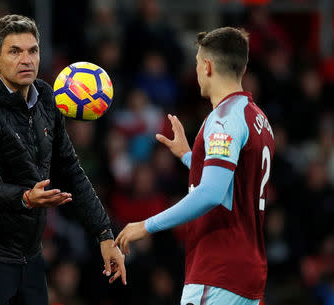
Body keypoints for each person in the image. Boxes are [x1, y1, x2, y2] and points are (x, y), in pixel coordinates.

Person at [0, 14, 126, 305]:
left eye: (32, 51)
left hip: (29, 252)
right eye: (15, 52)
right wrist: (27, 198)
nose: (26, 59)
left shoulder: (47, 97)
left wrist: (104, 233)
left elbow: (70, 169)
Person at [115, 27, 275, 305]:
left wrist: (146, 226)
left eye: (198, 62)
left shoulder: (223, 119)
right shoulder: (258, 119)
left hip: (218, 270)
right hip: (247, 270)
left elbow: (212, 193)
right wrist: (190, 157)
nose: (197, 70)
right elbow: (232, 185)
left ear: (208, 66)